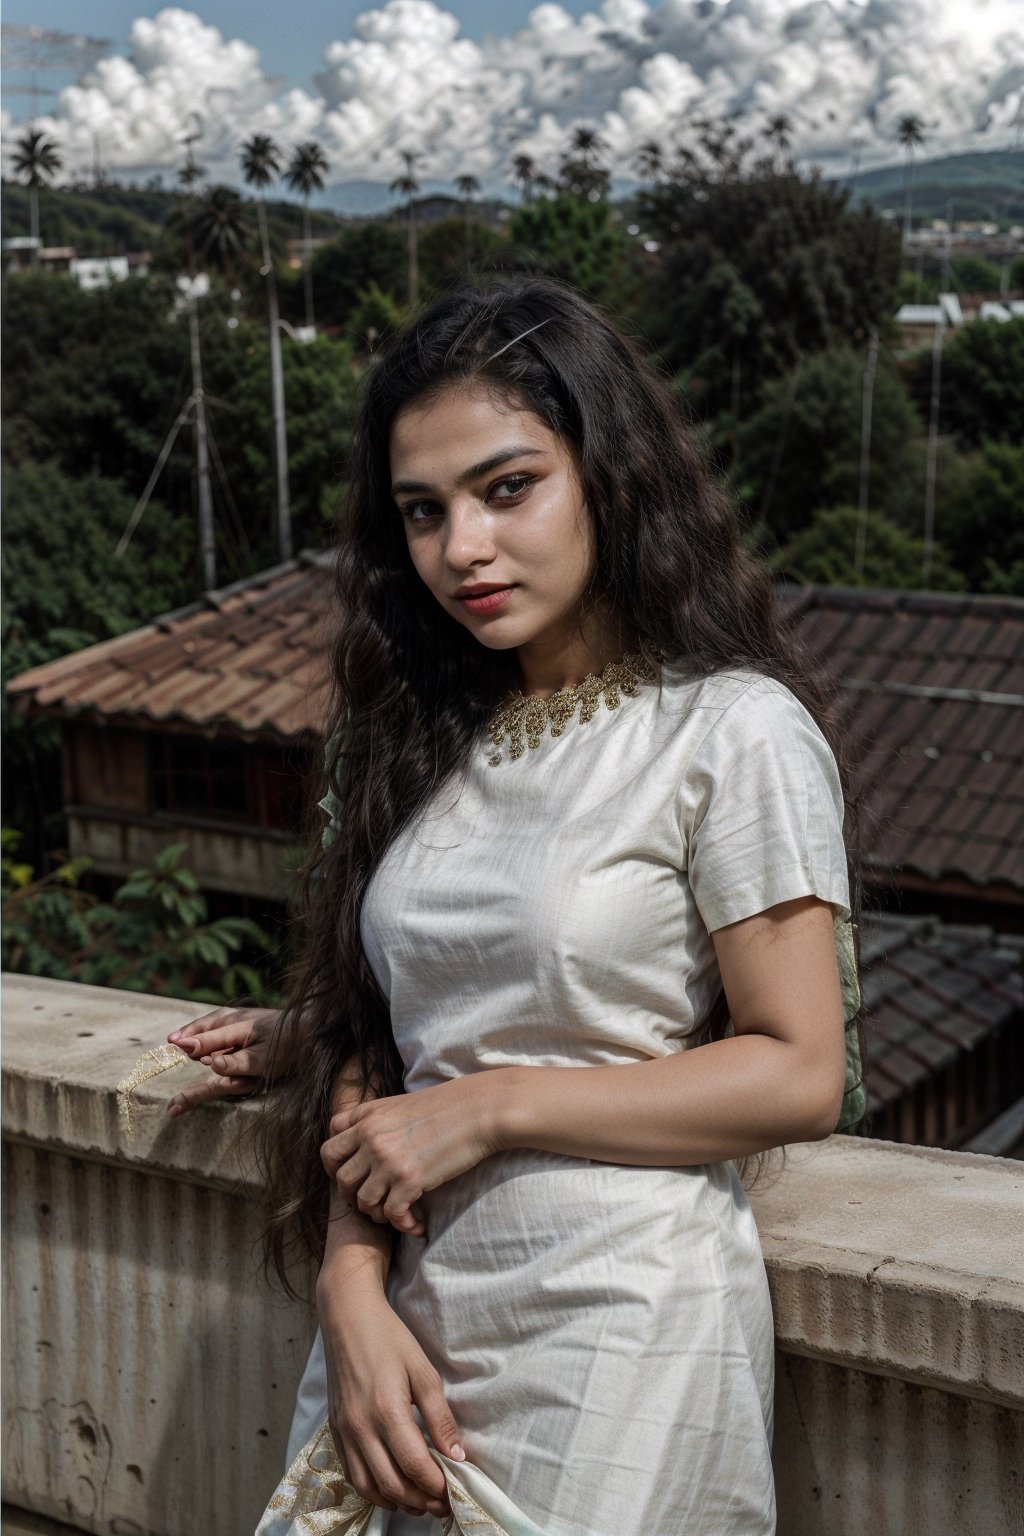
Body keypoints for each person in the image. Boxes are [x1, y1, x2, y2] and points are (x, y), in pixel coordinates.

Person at [166, 275, 864, 1535]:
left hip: (615, 1333)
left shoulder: (731, 731)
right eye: (422, 513)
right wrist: (349, 1284)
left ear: (609, 474)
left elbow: (799, 1072)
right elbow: (391, 1046)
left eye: (507, 488)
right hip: (405, 1345)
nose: (462, 550)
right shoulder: (426, 734)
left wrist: (486, 1106)